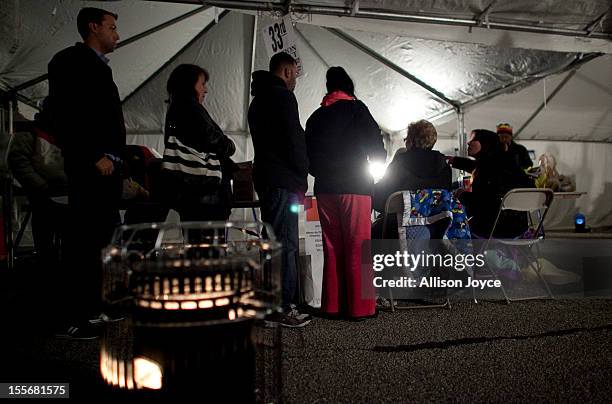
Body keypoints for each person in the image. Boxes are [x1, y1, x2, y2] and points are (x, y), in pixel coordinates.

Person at [48, 7, 126, 339]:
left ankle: (96, 306)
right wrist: (94, 156)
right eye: (112, 27)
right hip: (90, 168)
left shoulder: (99, 68)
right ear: (93, 28)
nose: (117, 34)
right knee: (82, 243)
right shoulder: (69, 62)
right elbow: (65, 116)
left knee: (103, 240)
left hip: (106, 170)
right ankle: (73, 317)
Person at [305, 66, 386, 320]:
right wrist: (377, 162)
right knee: (357, 245)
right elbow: (375, 143)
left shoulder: (315, 117)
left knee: (331, 246)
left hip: (326, 188)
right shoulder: (357, 109)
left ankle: (332, 305)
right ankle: (360, 308)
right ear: (348, 85)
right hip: (355, 186)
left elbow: (308, 155)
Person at [248, 52, 311, 327]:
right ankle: (283, 307)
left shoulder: (257, 100)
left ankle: (268, 304)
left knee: (271, 240)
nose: (295, 79)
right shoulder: (283, 97)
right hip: (284, 180)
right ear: (286, 71)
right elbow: (293, 140)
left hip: (265, 178)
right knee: (285, 243)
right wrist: (302, 177)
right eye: (295, 73)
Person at [159, 64, 236, 241]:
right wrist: (229, 145)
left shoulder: (175, 107)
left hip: (190, 195)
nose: (206, 90)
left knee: (196, 248)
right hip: (206, 196)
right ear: (189, 84)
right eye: (202, 84)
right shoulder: (190, 107)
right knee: (209, 253)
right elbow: (215, 140)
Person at [8, 101, 68, 266]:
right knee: (45, 236)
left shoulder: (64, 132)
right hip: (43, 194)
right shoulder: (30, 132)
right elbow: (18, 162)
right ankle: (46, 270)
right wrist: (41, 186)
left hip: (64, 193)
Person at [372, 119, 451, 238]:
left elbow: (380, 199)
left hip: (397, 232)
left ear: (412, 140)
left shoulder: (400, 162)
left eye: (406, 138)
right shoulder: (444, 166)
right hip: (435, 232)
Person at [450, 129, 534, 238]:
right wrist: (454, 160)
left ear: (485, 144)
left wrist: (460, 194)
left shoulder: (486, 169)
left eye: (474, 140)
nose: (468, 142)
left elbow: (479, 203)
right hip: (519, 228)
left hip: (493, 229)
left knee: (453, 219)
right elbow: (476, 166)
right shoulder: (507, 163)